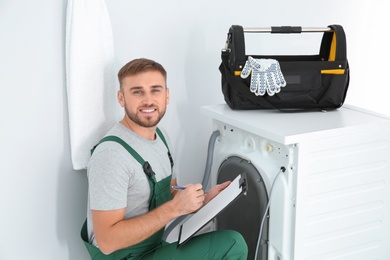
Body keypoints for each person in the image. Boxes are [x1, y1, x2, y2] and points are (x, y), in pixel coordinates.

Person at [81, 58, 248, 259]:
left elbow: (171, 192)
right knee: (234, 245)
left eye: (155, 90)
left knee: (231, 243)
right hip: (122, 257)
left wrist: (203, 201)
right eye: (137, 92)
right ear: (121, 98)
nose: (148, 100)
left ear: (167, 96)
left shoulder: (161, 137)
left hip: (153, 249)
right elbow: (107, 242)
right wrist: (174, 209)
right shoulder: (111, 155)